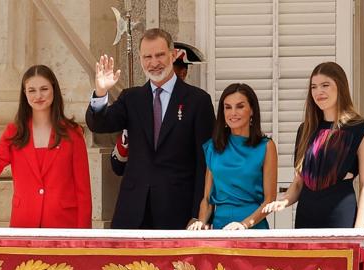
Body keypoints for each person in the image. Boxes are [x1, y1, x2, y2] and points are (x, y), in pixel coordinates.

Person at [87, 28, 215, 229]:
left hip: (178, 211)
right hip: (133, 211)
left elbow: (205, 163)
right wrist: (101, 91)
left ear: (173, 55)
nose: (154, 63)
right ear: (140, 60)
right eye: (147, 56)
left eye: (160, 55)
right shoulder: (131, 98)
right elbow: (99, 124)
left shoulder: (198, 101)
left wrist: (199, 215)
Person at [0, 65, 92, 228]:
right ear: (25, 93)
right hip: (24, 224)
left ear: (54, 90)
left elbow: (83, 191)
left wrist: (83, 238)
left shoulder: (72, 133)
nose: (38, 95)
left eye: (44, 89)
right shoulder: (14, 132)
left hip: (64, 225)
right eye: (31, 90)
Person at [263, 62, 364, 228]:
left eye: (325, 85)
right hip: (305, 215)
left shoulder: (359, 128)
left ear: (340, 87)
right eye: (314, 87)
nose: (318, 92)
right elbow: (299, 182)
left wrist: (359, 231)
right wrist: (284, 201)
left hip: (340, 214)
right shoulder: (305, 130)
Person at [110, 41, 207, 177]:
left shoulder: (196, 103)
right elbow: (118, 166)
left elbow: (204, 159)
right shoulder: (137, 103)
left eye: (170, 71)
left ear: (183, 74)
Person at [187, 83, 277, 230]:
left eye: (240, 106)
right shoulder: (213, 146)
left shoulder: (266, 146)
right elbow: (207, 199)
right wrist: (201, 223)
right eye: (227, 107)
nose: (233, 113)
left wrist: (244, 225)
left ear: (252, 110)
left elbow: (269, 200)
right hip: (219, 229)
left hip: (253, 228)